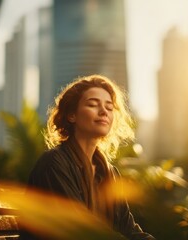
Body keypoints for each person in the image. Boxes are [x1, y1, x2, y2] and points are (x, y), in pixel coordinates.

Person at [28, 74, 155, 239]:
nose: (103, 111)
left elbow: (128, 229)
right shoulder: (54, 163)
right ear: (71, 115)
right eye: (93, 105)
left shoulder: (110, 173)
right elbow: (82, 230)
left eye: (109, 108)